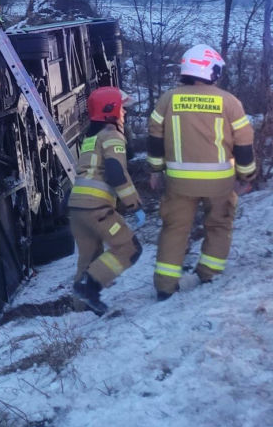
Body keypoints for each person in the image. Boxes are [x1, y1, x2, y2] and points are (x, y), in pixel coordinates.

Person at [147, 44, 256, 301]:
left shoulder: (167, 99)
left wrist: (155, 171)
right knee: (218, 226)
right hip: (219, 183)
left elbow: (154, 138)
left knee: (174, 229)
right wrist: (246, 176)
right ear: (211, 70)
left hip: (179, 183)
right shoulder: (229, 102)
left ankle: (165, 285)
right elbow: (244, 143)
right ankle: (208, 273)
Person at [69, 88, 143, 316]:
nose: (124, 114)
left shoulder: (91, 138)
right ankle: (89, 288)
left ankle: (82, 311)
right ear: (111, 110)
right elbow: (115, 171)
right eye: (122, 109)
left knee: (89, 257)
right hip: (96, 208)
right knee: (129, 248)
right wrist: (134, 204)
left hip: (77, 208)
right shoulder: (112, 135)